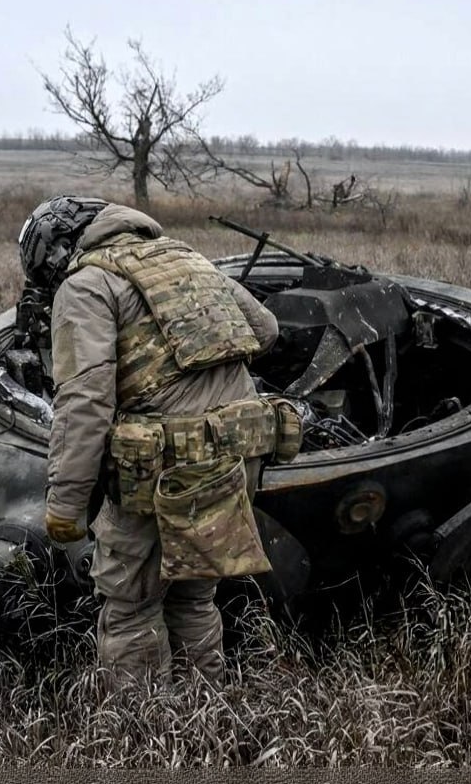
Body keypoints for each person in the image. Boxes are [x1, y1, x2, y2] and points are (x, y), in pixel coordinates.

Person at [18, 196, 298, 685]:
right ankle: (206, 716)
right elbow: (266, 329)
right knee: (193, 597)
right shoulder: (184, 255)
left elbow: (84, 404)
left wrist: (66, 506)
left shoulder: (86, 285)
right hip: (237, 456)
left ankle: (148, 731)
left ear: (56, 252)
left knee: (130, 607)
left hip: (164, 471)